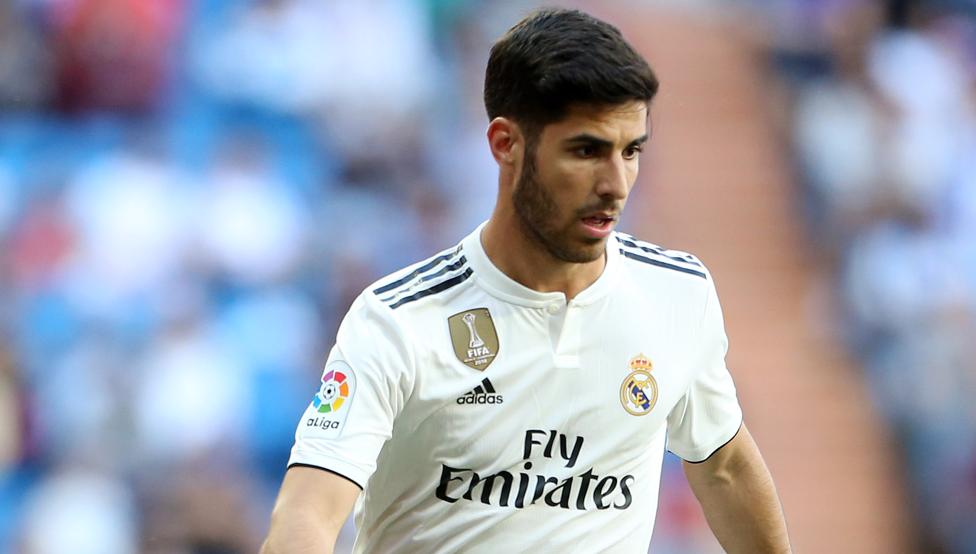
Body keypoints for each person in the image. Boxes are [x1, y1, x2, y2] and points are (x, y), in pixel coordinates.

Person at [262, 8, 791, 553]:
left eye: (631, 150)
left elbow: (724, 466)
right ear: (505, 144)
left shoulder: (677, 294)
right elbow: (306, 515)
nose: (615, 183)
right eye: (586, 150)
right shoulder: (399, 321)